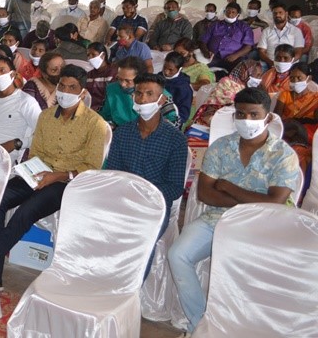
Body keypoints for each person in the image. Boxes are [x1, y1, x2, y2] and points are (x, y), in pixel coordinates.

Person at [168, 87, 300, 334]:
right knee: (178, 255)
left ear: (268, 118)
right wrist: (251, 199)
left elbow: (274, 204)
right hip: (219, 218)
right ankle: (201, 323)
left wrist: (228, 187)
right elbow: (205, 194)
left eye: (253, 114)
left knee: (244, 267)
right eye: (240, 114)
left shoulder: (283, 155)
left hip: (266, 224)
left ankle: (247, 326)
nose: (246, 120)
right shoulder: (221, 147)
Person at [0, 64, 109, 287]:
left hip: (67, 183)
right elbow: (37, 153)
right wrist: (32, 172)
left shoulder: (95, 124)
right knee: (0, 197)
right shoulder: (46, 117)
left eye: (72, 88)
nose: (65, 92)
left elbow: (92, 167)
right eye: (62, 86)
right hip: (39, 172)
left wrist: (56, 176)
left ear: (83, 92)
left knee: (26, 211)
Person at [105, 72, 189, 278]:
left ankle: (131, 289)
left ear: (161, 100)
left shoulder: (175, 139)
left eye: (149, 94)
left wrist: (145, 194)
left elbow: (175, 187)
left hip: (154, 204)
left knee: (141, 241)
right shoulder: (123, 133)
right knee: (102, 231)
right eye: (139, 94)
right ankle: (103, 281)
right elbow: (112, 172)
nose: (142, 99)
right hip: (123, 198)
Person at [0, 55, 41, 164]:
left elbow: (42, 134)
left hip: (3, 159)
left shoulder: (26, 102)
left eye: (2, 70)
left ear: (13, 74)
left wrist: (17, 143)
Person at [101, 56, 178, 128]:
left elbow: (173, 122)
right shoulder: (112, 89)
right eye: (119, 79)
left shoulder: (158, 94)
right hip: (121, 132)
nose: (122, 84)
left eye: (128, 81)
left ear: (140, 79)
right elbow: (105, 115)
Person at [191, 60, 263, 128]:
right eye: (257, 75)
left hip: (234, 119)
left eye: (260, 76)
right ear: (246, 73)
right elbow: (232, 102)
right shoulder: (226, 82)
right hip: (213, 118)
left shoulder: (249, 89)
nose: (259, 79)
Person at [200, 2, 254, 71]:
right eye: (227, 11)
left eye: (233, 12)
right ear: (224, 12)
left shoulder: (244, 27)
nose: (230, 14)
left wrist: (235, 56)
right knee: (200, 69)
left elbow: (248, 47)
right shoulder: (215, 25)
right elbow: (203, 41)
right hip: (213, 56)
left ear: (238, 15)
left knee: (241, 70)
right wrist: (205, 52)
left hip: (234, 58)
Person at [258, 3, 304, 71]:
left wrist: (287, 63)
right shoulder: (266, 31)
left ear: (286, 13)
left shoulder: (296, 31)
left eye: (280, 12)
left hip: (290, 64)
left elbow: (299, 52)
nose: (277, 15)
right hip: (270, 63)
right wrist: (272, 63)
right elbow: (261, 51)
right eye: (275, 13)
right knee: (258, 67)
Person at [162, 52, 193, 129]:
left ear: (180, 69)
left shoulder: (184, 88)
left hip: (170, 124)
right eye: (164, 67)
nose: (166, 72)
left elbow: (183, 115)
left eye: (170, 70)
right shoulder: (158, 78)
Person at [85, 42, 116, 112]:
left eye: (93, 55)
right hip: (90, 109)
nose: (90, 58)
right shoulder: (89, 74)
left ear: (103, 55)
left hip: (105, 111)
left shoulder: (113, 72)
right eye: (88, 55)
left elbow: (112, 97)